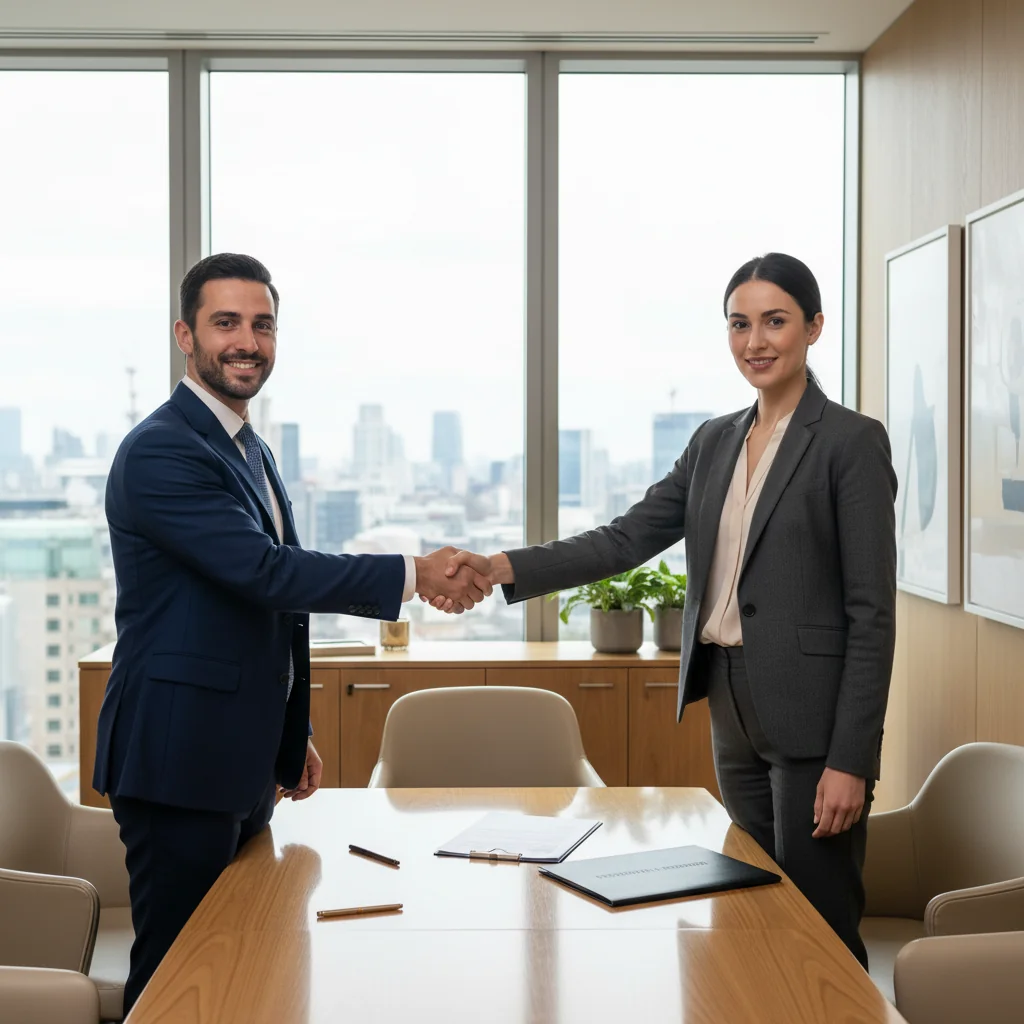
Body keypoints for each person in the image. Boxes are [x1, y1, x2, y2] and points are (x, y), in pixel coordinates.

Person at [444, 253, 897, 967]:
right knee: (751, 908)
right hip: (731, 704)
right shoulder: (714, 440)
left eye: (775, 322)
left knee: (819, 920)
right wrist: (503, 567)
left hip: (814, 720)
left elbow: (872, 615)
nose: (756, 341)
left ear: (813, 327)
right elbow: (625, 539)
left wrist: (852, 760)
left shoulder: (849, 442)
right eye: (739, 324)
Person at [95, 253, 489, 1013]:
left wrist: (287, 728)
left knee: (241, 960)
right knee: (181, 975)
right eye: (226, 323)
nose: (248, 341)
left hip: (234, 759)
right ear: (185, 336)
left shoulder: (247, 447)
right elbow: (267, 573)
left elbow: (270, 611)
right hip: (178, 761)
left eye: (263, 324)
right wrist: (414, 573)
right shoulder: (162, 450)